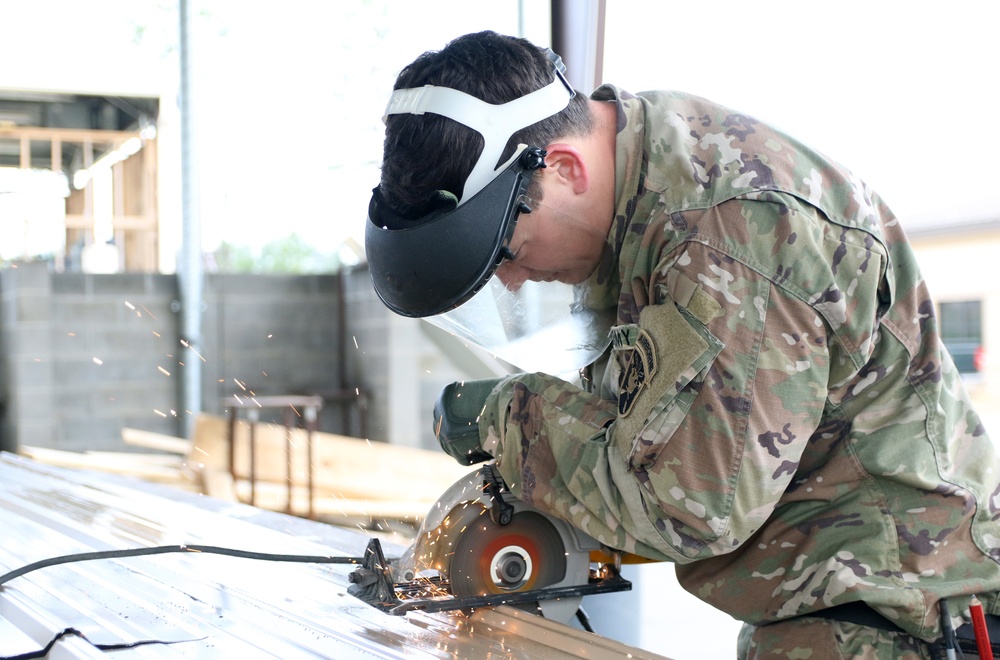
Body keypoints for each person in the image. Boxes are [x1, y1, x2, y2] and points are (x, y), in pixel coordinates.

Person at [365, 30, 1000, 659]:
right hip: (834, 601)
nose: (510, 276)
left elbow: (695, 510)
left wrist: (513, 419)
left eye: (507, 250)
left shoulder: (728, 233)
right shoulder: (639, 183)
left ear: (563, 168)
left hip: (901, 618)